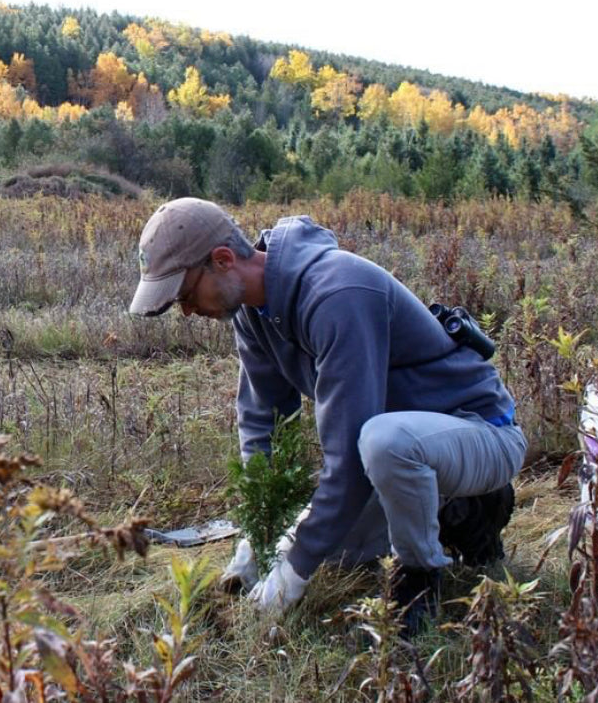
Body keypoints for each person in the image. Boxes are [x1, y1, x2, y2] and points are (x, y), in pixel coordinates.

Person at [128, 198, 525, 632]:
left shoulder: (339, 294)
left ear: (222, 260)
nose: (187, 311)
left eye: (185, 294)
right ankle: (447, 511)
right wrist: (260, 536)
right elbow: (265, 424)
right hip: (405, 446)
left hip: (482, 431)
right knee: (334, 552)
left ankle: (422, 574)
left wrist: (293, 571)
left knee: (381, 444)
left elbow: (349, 460)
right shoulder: (252, 314)